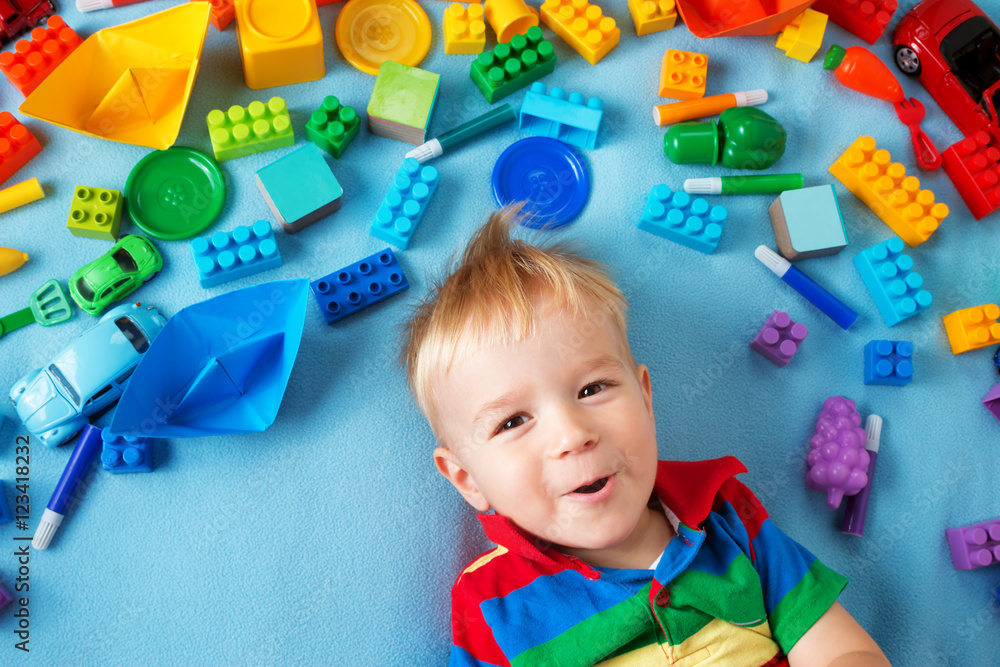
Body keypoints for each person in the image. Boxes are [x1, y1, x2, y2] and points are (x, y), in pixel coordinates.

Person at [400, 205, 891, 667]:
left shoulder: (726, 517)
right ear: (467, 478)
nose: (572, 434)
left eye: (592, 388)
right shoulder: (492, 603)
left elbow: (844, 651)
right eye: (512, 422)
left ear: (645, 396)